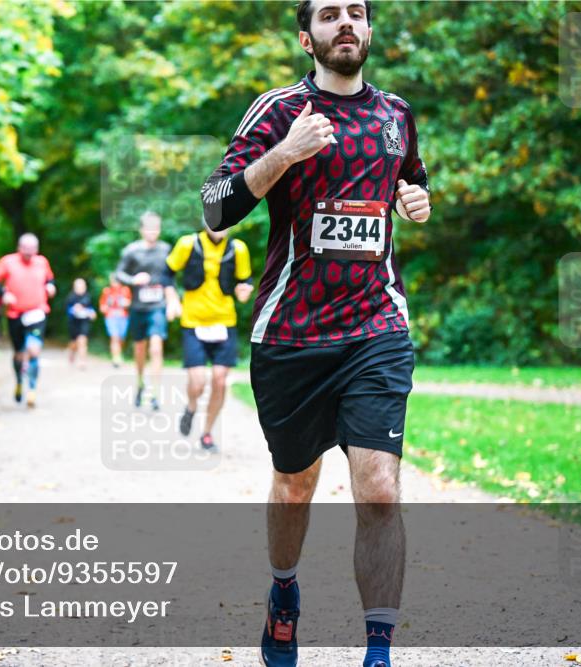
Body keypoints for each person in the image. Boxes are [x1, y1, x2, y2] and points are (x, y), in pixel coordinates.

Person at [200, 1, 431, 665]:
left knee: (380, 488)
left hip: (376, 325)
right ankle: (283, 594)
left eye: (356, 11)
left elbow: (412, 182)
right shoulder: (278, 110)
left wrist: (419, 200)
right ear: (308, 38)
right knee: (295, 483)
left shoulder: (396, 113)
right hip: (292, 332)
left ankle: (379, 648)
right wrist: (285, 153)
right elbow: (215, 212)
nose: (346, 22)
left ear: (369, 29)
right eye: (330, 15)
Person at [164, 222, 253, 452]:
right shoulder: (187, 243)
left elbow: (245, 280)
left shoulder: (238, 248)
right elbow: (166, 274)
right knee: (198, 382)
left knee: (220, 380)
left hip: (224, 322)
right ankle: (192, 407)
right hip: (193, 322)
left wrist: (244, 290)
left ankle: (206, 433)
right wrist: (172, 299)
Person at [0, 233, 57, 408]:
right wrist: (4, 294)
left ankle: (32, 390)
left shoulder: (42, 262)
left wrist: (50, 286)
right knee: (19, 353)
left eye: (33, 249)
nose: (29, 252)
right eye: (26, 249)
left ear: (37, 249)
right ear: (19, 248)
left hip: (37, 311)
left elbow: (50, 279)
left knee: (34, 350)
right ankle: (19, 381)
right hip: (15, 314)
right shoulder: (8, 262)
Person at [115, 211, 173, 411]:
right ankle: (140, 383)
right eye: (149, 228)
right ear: (141, 230)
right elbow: (118, 273)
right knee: (140, 349)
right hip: (138, 306)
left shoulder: (166, 249)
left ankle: (155, 393)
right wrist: (133, 280)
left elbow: (172, 275)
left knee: (156, 348)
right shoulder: (131, 251)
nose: (153, 232)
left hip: (158, 306)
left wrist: (172, 298)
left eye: (156, 228)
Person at [99, 274, 132, 367]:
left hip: (123, 317)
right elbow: (102, 306)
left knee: (121, 338)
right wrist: (105, 308)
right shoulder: (107, 291)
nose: (115, 283)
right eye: (113, 281)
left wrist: (126, 303)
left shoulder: (125, 290)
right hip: (111, 317)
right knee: (114, 337)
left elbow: (131, 303)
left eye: (116, 280)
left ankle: (119, 353)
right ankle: (116, 358)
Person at [65, 278, 97, 370]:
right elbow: (67, 310)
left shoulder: (88, 297)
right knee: (74, 343)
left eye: (82, 286)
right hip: (73, 323)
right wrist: (73, 310)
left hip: (84, 322)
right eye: (78, 286)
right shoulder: (70, 297)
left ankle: (82, 361)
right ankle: (71, 352)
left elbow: (91, 308)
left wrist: (92, 313)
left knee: (82, 340)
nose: (80, 288)